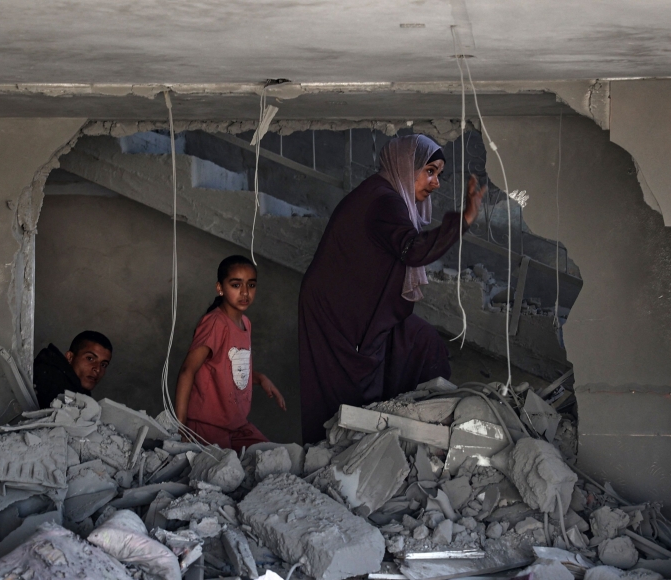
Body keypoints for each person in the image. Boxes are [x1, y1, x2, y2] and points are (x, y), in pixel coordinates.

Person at [297, 134, 486, 443]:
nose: (435, 182)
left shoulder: (384, 196)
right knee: (341, 396)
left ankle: (414, 431)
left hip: (363, 311)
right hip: (338, 316)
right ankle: (334, 456)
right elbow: (412, 249)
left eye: (438, 174)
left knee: (422, 341)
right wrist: (462, 220)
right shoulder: (382, 201)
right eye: (429, 171)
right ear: (404, 165)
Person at [175, 255, 286, 450]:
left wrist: (260, 378)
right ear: (220, 288)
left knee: (274, 456)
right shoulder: (215, 323)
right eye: (236, 285)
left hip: (236, 425)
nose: (245, 293)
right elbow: (187, 370)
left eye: (251, 285)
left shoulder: (246, 324)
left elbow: (230, 369)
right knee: (222, 476)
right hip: (206, 425)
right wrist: (181, 426)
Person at [33, 330, 113, 408]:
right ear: (70, 357)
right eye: (90, 358)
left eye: (103, 364)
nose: (98, 369)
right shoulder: (50, 383)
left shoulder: (77, 393)